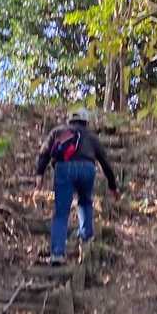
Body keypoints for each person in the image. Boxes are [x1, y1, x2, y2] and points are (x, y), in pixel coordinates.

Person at [34, 106, 119, 264]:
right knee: (85, 202)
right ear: (86, 121)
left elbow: (44, 153)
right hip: (87, 168)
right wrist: (112, 186)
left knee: (61, 212)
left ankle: (57, 254)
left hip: (64, 168)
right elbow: (105, 162)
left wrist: (40, 174)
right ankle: (86, 236)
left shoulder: (58, 132)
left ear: (70, 119)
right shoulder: (91, 137)